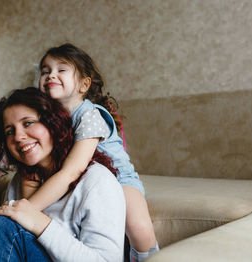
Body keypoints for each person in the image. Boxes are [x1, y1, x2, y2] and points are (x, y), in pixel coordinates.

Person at [24, 43, 159, 262]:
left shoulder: (90, 114)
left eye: (61, 70)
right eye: (46, 71)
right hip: (86, 185)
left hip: (119, 179)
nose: (51, 75)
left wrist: (27, 209)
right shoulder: (49, 120)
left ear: (83, 84)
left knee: (139, 227)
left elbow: (72, 169)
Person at [0, 87, 126, 262]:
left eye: (28, 123)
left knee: (2, 225)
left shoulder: (97, 181)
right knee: (2, 225)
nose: (18, 136)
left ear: (53, 122)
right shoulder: (20, 181)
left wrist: (39, 222)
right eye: (10, 131)